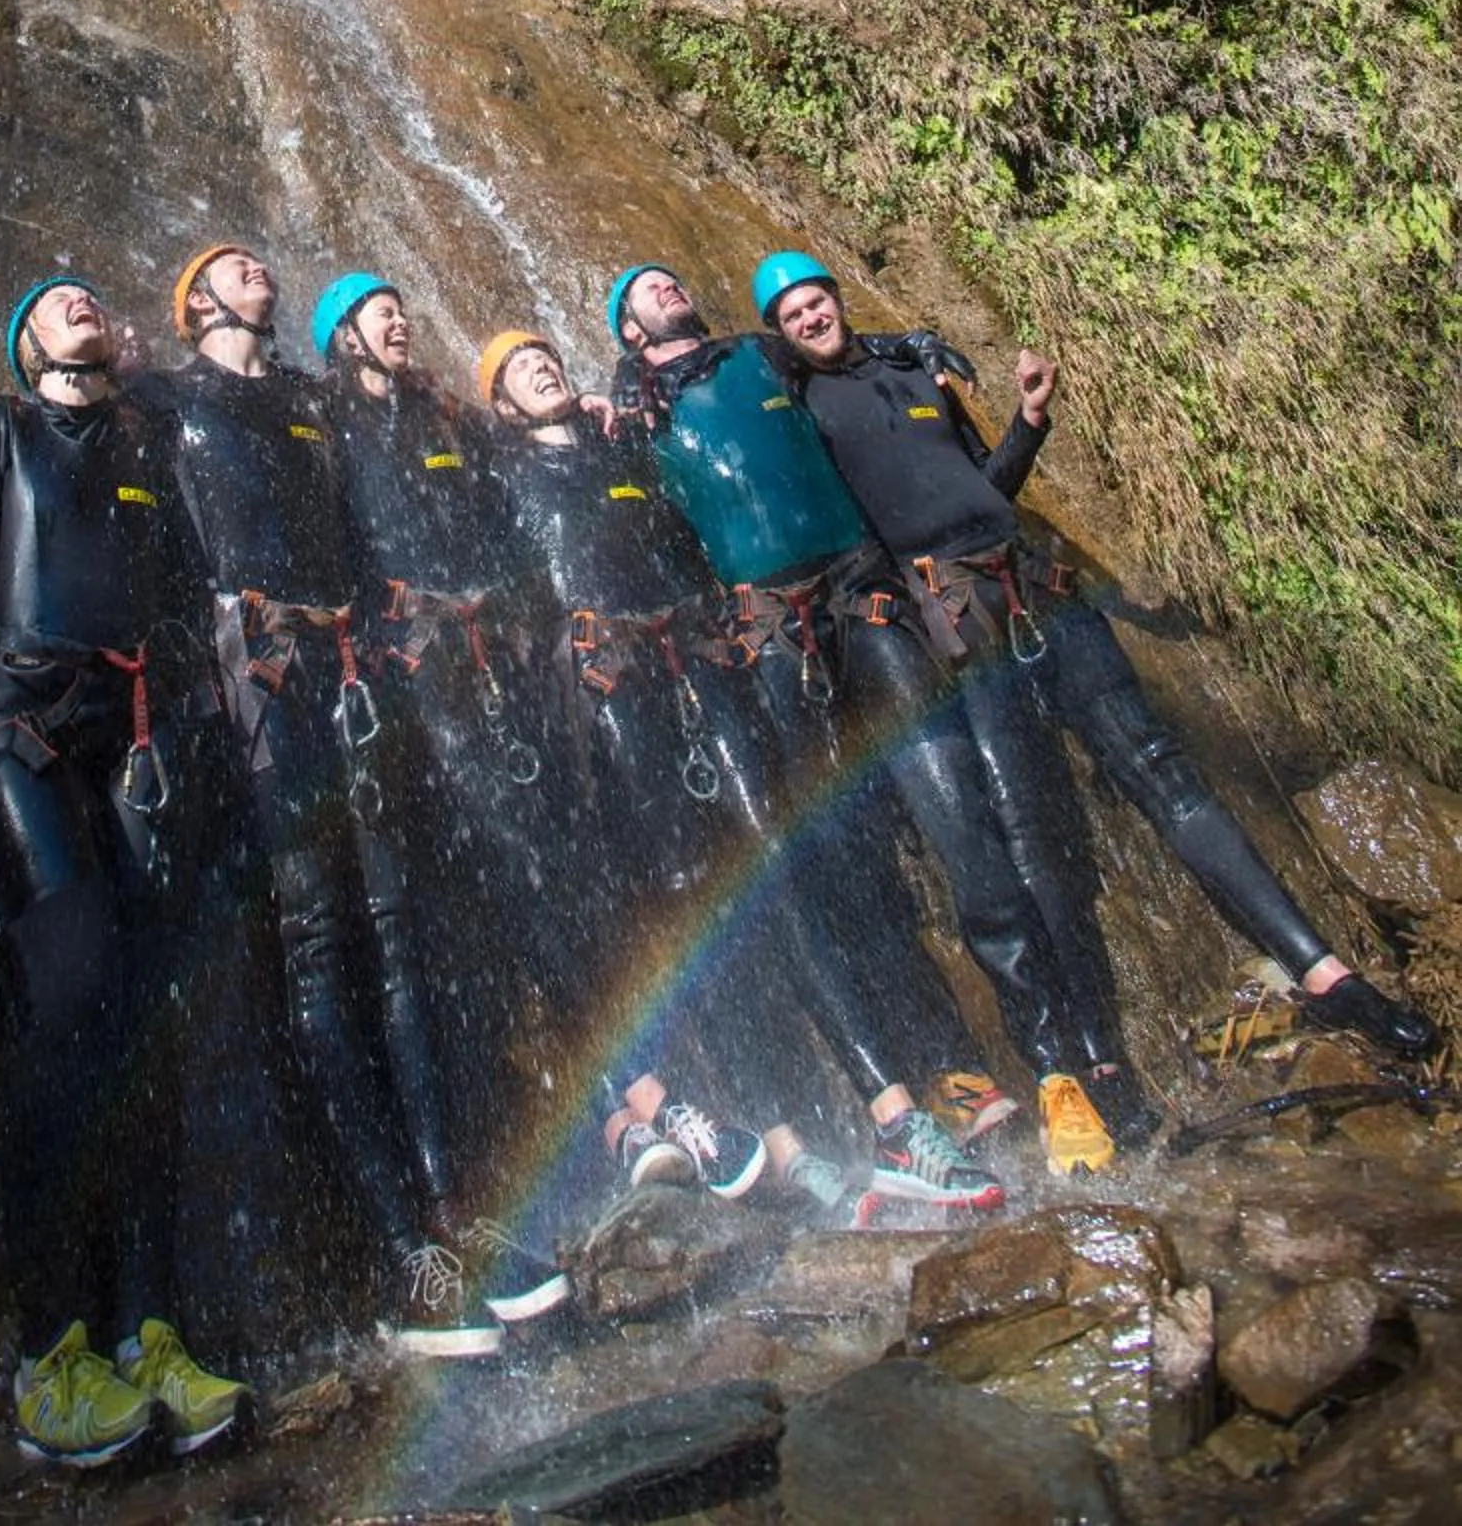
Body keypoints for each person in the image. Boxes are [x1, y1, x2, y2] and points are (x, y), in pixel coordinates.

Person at [751, 249, 1438, 1078]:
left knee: (1163, 770)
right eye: (789, 316)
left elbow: (986, 488)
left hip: (1036, 587)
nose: (807, 319)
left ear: (836, 297)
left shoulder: (915, 372)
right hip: (958, 622)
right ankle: (1094, 1065)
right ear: (780, 335)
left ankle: (1326, 974)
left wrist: (1030, 418)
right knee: (1030, 830)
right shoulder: (802, 403)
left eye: (813, 301)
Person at [607, 263, 1125, 1176]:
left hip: (863, 587)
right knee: (842, 858)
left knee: (953, 805)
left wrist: (909, 346)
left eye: (671, 276)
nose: (670, 283)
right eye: (646, 288)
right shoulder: (636, 412)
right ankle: (941, 1076)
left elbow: (837, 347)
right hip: (766, 622)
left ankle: (1058, 1069)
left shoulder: (763, 354)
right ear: (628, 330)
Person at [483, 325, 1009, 1218]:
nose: (539, 363)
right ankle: (787, 1148)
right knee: (710, 923)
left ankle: (894, 1116)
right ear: (496, 404)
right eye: (515, 366)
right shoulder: (499, 475)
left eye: (545, 352)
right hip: (611, 701)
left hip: (701, 670)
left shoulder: (630, 448)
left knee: (781, 879)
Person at [163, 243, 521, 1354]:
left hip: (351, 665)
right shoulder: (168, 398)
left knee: (395, 930)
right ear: (195, 307)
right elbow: (55, 415)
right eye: (229, 265)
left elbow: (402, 429)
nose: (254, 267)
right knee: (317, 940)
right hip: (257, 674)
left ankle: (450, 1209)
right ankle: (394, 1250)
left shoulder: (313, 401)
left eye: (256, 259)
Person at [0, 277, 250, 1467]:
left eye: (92, 298)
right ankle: (49, 1353)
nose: (86, 305)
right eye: (58, 301)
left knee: (146, 1022)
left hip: (139, 736)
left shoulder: (141, 440)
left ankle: (150, 1332)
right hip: (23, 736)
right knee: (66, 1011)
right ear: (22, 342)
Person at [311, 272, 573, 1312]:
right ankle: (420, 1227)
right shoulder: (319, 410)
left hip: (477, 667)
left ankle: (496, 1181)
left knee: (484, 897)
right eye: (375, 308)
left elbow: (510, 489)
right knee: (397, 928)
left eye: (400, 305)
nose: (400, 315)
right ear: (339, 336)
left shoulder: (441, 416)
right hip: (382, 679)